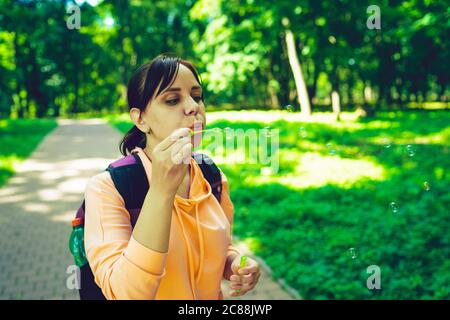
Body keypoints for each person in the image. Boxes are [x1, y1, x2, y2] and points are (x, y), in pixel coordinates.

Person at [83, 54, 261, 300]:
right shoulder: (108, 188)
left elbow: (221, 247)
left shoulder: (212, 177)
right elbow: (124, 293)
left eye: (197, 96)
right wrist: (161, 191)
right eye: (172, 99)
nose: (194, 107)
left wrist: (233, 265)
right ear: (140, 119)